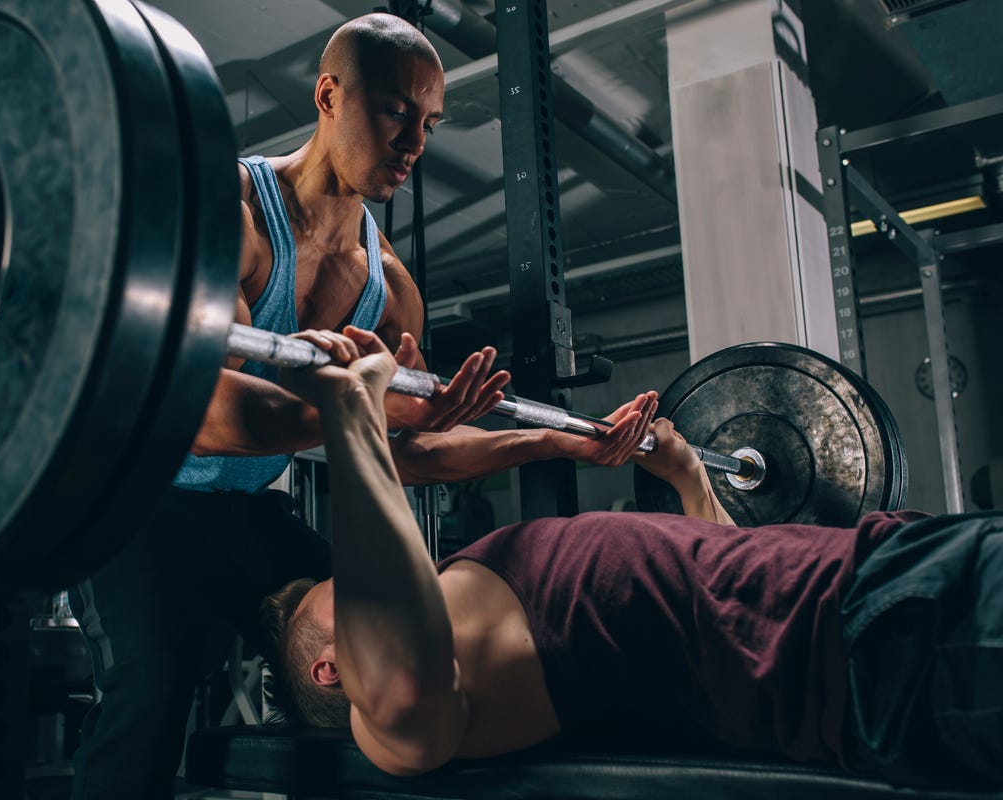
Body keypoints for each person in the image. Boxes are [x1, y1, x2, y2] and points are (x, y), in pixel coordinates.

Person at [69, 14, 659, 799]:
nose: (415, 139)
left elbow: (401, 458)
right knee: (155, 689)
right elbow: (208, 416)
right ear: (327, 96)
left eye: (430, 121)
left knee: (395, 651)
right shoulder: (232, 212)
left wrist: (550, 446)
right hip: (136, 504)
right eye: (394, 110)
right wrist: (364, 410)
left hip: (248, 512)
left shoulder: (389, 284)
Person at [261, 325, 1003, 790]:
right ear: (332, 668)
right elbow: (400, 687)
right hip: (876, 645)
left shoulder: (463, 590)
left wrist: (686, 475)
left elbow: (723, 573)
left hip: (894, 573)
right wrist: (351, 416)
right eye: (340, 584)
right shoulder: (395, 722)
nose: (357, 566)